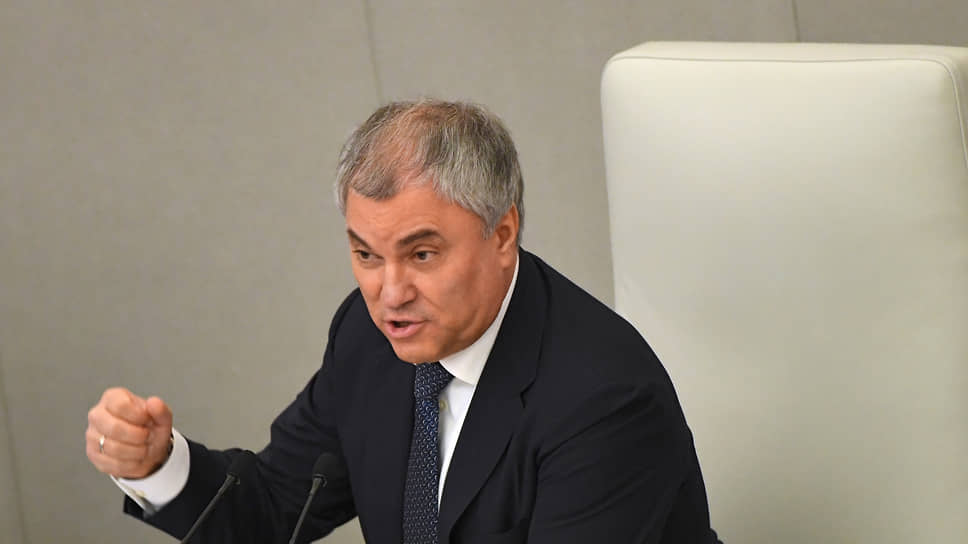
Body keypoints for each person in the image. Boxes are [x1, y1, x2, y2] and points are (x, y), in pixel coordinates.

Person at [85, 99, 721, 543]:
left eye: (421, 255)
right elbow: (276, 508)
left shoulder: (603, 399)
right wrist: (158, 465)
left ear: (503, 234)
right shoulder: (368, 340)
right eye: (366, 255)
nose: (389, 296)